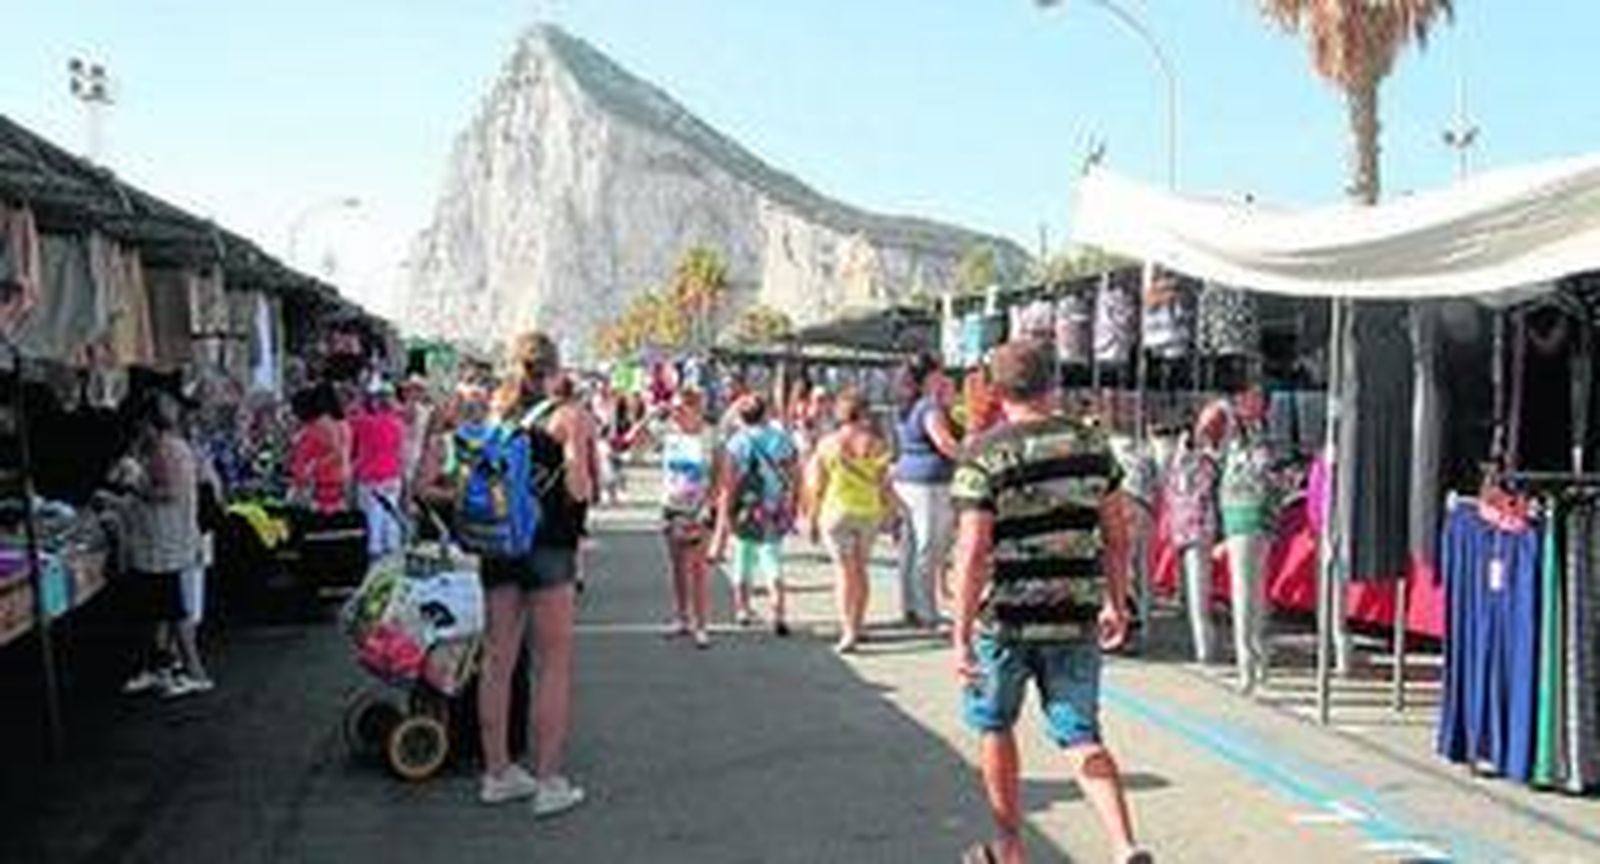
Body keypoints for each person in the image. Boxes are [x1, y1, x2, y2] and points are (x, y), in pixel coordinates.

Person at [950, 340, 1150, 864]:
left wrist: (959, 632)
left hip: (1006, 621)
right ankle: (1123, 844)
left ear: (995, 391)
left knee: (995, 726)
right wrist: (1117, 599)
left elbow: (972, 551)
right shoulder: (1092, 447)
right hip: (1076, 614)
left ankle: (1010, 844)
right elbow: (1116, 533)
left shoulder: (985, 455)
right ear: (1052, 384)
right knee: (1081, 736)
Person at [473, 332, 589, 815]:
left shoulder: (499, 416)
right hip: (549, 547)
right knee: (552, 665)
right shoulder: (569, 417)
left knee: (498, 661)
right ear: (555, 369)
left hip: (500, 546)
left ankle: (497, 772)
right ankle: (549, 781)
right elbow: (579, 486)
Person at [117, 392, 208, 698]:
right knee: (158, 607)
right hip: (162, 542)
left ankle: (195, 672)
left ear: (146, 422)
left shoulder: (166, 449)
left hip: (163, 543)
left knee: (172, 608)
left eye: (140, 424)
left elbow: (168, 493)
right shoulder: (168, 446)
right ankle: (160, 667)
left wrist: (134, 485)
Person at [806, 390, 897, 654]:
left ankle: (848, 631)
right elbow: (883, 485)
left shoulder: (827, 444)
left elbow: (817, 485)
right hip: (868, 512)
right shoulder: (878, 445)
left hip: (836, 512)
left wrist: (812, 517)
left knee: (844, 572)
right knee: (861, 569)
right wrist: (891, 513)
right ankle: (859, 623)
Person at [713, 394, 797, 634]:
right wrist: (790, 501)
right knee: (772, 560)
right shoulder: (781, 438)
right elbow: (792, 472)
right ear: (765, 413)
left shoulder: (736, 442)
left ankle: (742, 609)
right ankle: (778, 611)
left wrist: (726, 512)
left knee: (743, 559)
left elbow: (727, 482)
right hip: (772, 508)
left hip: (745, 508)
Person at [892, 353, 961, 630]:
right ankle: (927, 611)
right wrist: (970, 455)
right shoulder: (928, 407)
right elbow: (943, 442)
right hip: (930, 483)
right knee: (929, 547)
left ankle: (910, 606)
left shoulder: (905, 406)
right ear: (930, 375)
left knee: (910, 547)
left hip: (907, 478)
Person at [654, 389, 721, 647]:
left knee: (698, 569)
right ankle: (683, 618)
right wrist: (650, 416)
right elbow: (627, 441)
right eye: (674, 409)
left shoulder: (710, 436)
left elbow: (719, 475)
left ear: (697, 409)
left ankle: (702, 625)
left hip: (699, 507)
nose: (676, 413)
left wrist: (709, 504)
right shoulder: (670, 433)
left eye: (681, 409)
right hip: (672, 505)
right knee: (677, 567)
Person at [351, 379, 407, 559]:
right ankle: (392, 552)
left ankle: (372, 555)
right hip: (392, 475)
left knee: (371, 519)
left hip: (369, 477)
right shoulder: (398, 424)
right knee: (389, 518)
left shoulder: (363, 423)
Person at [288, 383, 351, 515]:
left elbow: (333, 451)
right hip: (337, 480)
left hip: (318, 484)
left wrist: (310, 469)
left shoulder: (317, 427)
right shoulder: (340, 424)